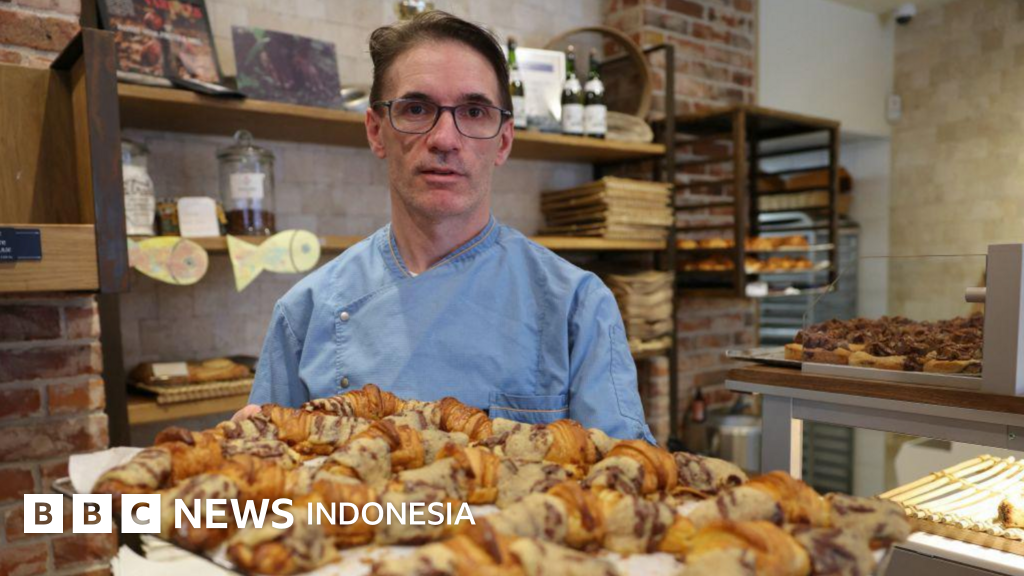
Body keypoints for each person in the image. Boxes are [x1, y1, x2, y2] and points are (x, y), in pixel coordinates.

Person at [237, 11, 654, 443]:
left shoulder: (578, 307)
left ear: (504, 140)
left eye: (473, 111)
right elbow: (269, 478)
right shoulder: (304, 314)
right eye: (417, 109)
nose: (445, 139)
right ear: (376, 132)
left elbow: (628, 474)